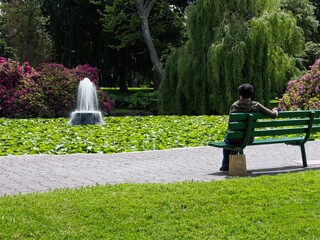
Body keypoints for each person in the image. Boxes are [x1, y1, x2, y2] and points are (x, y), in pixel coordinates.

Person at [220, 83, 279, 171]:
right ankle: (227, 164)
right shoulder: (256, 105)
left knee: (228, 140)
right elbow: (273, 115)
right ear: (251, 94)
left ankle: (225, 164)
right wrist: (275, 110)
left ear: (240, 95)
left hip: (234, 138)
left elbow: (231, 124)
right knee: (236, 140)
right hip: (249, 139)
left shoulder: (234, 106)